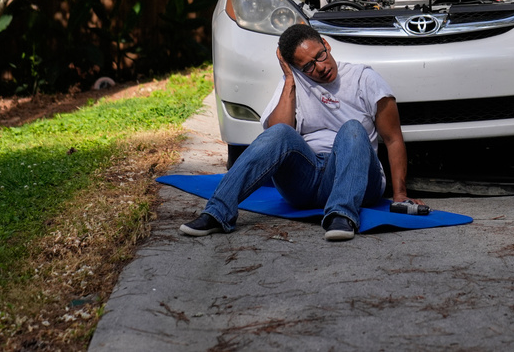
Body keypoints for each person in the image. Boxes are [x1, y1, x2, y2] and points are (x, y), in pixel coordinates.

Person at [179, 24, 419, 241]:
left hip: (357, 177)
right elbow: (276, 134)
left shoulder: (363, 79)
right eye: (308, 66)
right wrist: (289, 79)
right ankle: (217, 213)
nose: (321, 68)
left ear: (326, 44)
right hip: (307, 179)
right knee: (281, 132)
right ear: (297, 68)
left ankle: (342, 214)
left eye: (320, 56)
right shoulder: (295, 83)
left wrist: (400, 195)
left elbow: (393, 139)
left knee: (352, 128)